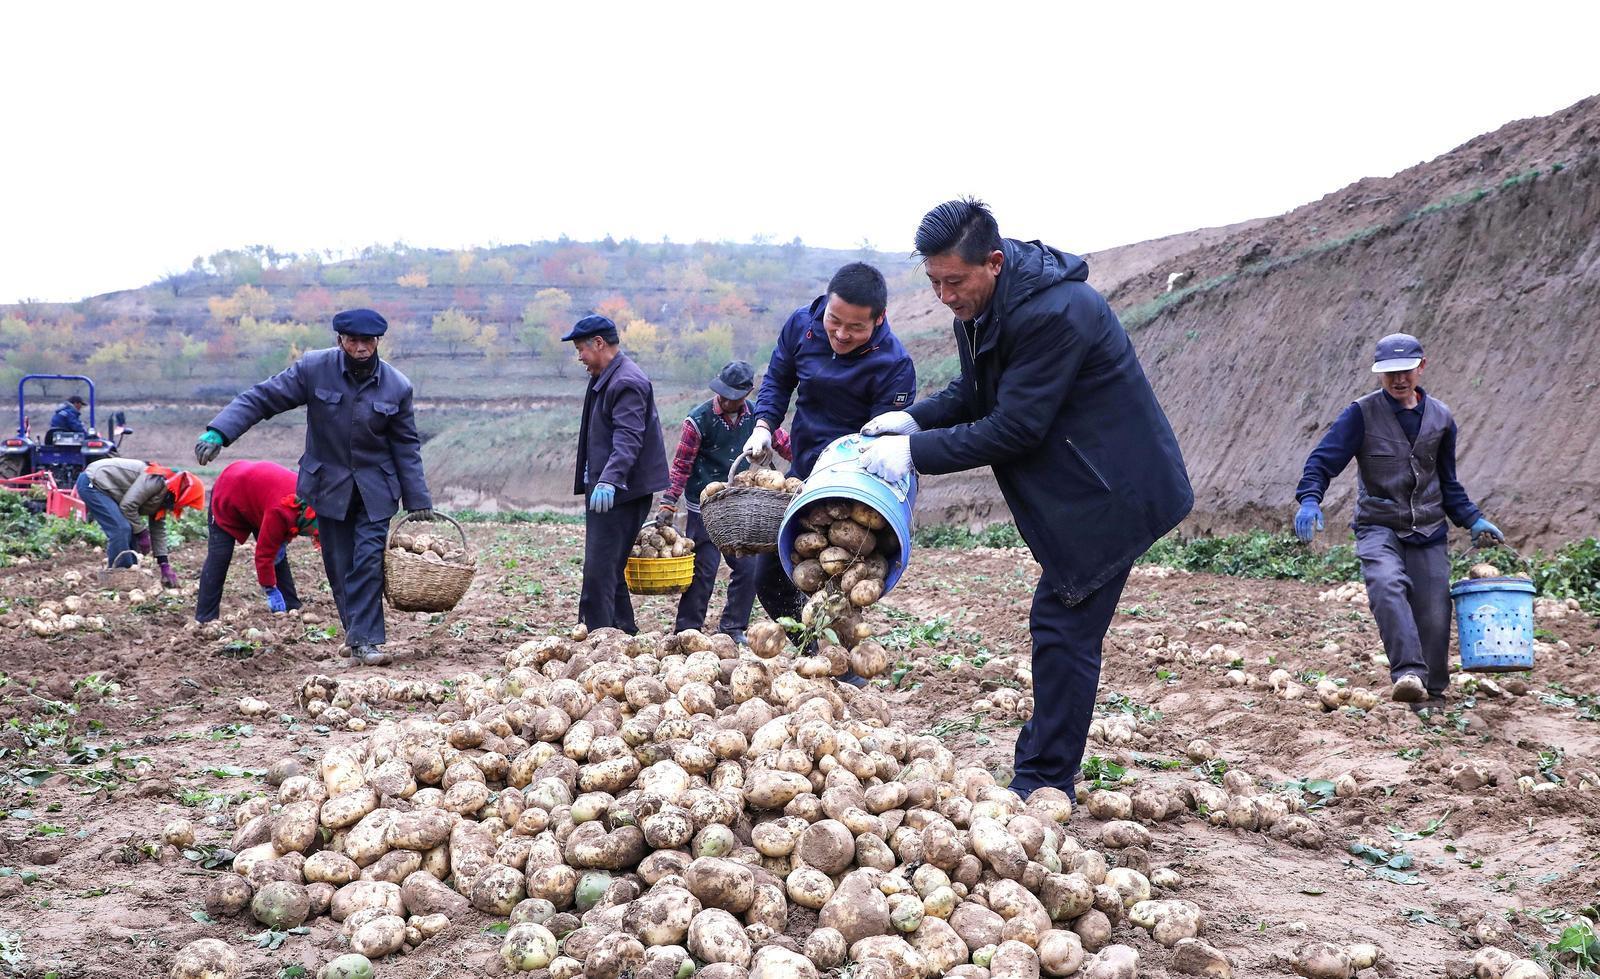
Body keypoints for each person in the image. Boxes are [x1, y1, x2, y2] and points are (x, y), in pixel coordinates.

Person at [860, 198, 1192, 800]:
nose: (945, 296)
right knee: (1060, 627)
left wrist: (918, 453)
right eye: (933, 282)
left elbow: (1016, 426)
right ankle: (1044, 776)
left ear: (992, 262)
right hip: (1077, 486)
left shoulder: (1057, 313)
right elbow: (976, 388)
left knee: (1063, 629)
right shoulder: (986, 305)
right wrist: (913, 421)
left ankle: (1045, 785)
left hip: (1110, 493)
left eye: (953, 282)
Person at [195, 308, 434, 666]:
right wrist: (221, 430)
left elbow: (405, 444)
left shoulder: (397, 386)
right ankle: (356, 636)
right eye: (352, 340)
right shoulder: (313, 369)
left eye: (367, 341)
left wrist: (418, 497)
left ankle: (367, 641)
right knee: (339, 564)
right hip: (328, 486)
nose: (360, 348)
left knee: (368, 560)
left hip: (376, 489)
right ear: (339, 340)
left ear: (377, 342)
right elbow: (263, 397)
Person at [1295, 332, 1504, 708]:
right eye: (1389, 373)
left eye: (1406, 370)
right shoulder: (1361, 414)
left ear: (1421, 366)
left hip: (1429, 527)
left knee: (1435, 611)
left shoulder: (1441, 418)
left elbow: (1448, 482)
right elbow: (1322, 460)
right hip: (1379, 523)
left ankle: (1433, 694)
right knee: (1386, 585)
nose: (1398, 380)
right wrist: (1310, 499)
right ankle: (1408, 673)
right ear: (1379, 374)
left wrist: (1473, 519)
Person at [745, 262, 916, 625]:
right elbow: (778, 378)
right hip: (804, 470)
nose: (840, 333)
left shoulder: (894, 365)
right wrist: (763, 425)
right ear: (826, 305)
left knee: (836, 585)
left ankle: (844, 670)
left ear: (879, 320)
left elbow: (885, 441)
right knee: (770, 579)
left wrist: (846, 483)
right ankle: (812, 657)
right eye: (834, 320)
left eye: (856, 327)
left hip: (854, 485)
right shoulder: (800, 326)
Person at [659, 360, 793, 645]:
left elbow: (782, 442)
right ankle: (687, 630)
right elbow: (682, 465)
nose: (725, 400)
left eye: (733, 396)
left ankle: (733, 627)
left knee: (749, 569)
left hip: (742, 509)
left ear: (745, 395)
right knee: (703, 571)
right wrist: (669, 503)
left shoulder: (758, 418)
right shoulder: (698, 420)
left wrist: (811, 458)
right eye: (722, 393)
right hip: (705, 509)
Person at [568, 314, 669, 634]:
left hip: (621, 492)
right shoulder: (607, 376)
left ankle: (596, 638)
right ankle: (624, 632)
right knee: (609, 567)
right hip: (609, 488)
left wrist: (610, 479)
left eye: (580, 349)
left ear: (599, 343)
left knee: (599, 570)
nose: (579, 357)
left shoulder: (627, 381)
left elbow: (628, 437)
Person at [196, 460, 319, 624]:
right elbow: (264, 556)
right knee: (220, 555)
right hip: (230, 490)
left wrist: (283, 541)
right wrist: (270, 589)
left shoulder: (311, 502)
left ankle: (291, 606)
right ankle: (205, 618)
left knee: (278, 552)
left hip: (258, 496)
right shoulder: (281, 511)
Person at [76, 457, 204, 586]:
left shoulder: (168, 497)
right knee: (121, 529)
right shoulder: (157, 480)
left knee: (130, 529)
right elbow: (128, 506)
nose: (184, 507)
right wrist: (142, 533)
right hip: (93, 482)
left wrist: (164, 564)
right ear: (185, 495)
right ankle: (118, 577)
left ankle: (129, 575)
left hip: (108, 488)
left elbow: (158, 529)